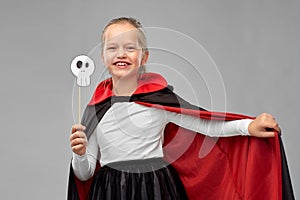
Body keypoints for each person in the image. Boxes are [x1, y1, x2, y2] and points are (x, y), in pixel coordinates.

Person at [68, 17, 291, 200]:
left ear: (143, 56)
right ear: (103, 57)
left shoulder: (159, 100)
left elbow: (207, 126)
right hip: (110, 191)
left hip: (156, 188)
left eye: (130, 48)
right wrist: (79, 155)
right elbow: (85, 172)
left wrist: (248, 126)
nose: (121, 54)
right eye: (112, 48)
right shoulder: (95, 110)